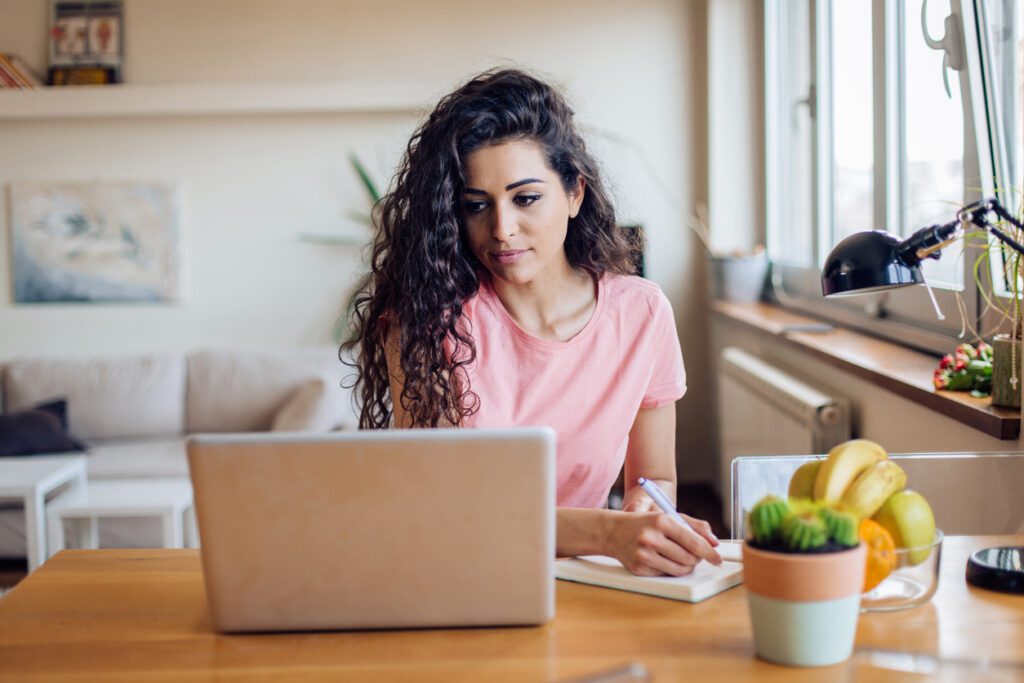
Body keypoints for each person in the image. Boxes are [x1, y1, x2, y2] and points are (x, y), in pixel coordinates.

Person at [343, 68, 721, 576]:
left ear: (574, 194)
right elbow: (446, 509)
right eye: (476, 206)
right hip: (453, 576)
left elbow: (653, 478)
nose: (501, 230)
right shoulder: (426, 322)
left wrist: (645, 514)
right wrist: (609, 532)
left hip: (586, 579)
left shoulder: (642, 313)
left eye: (526, 198)